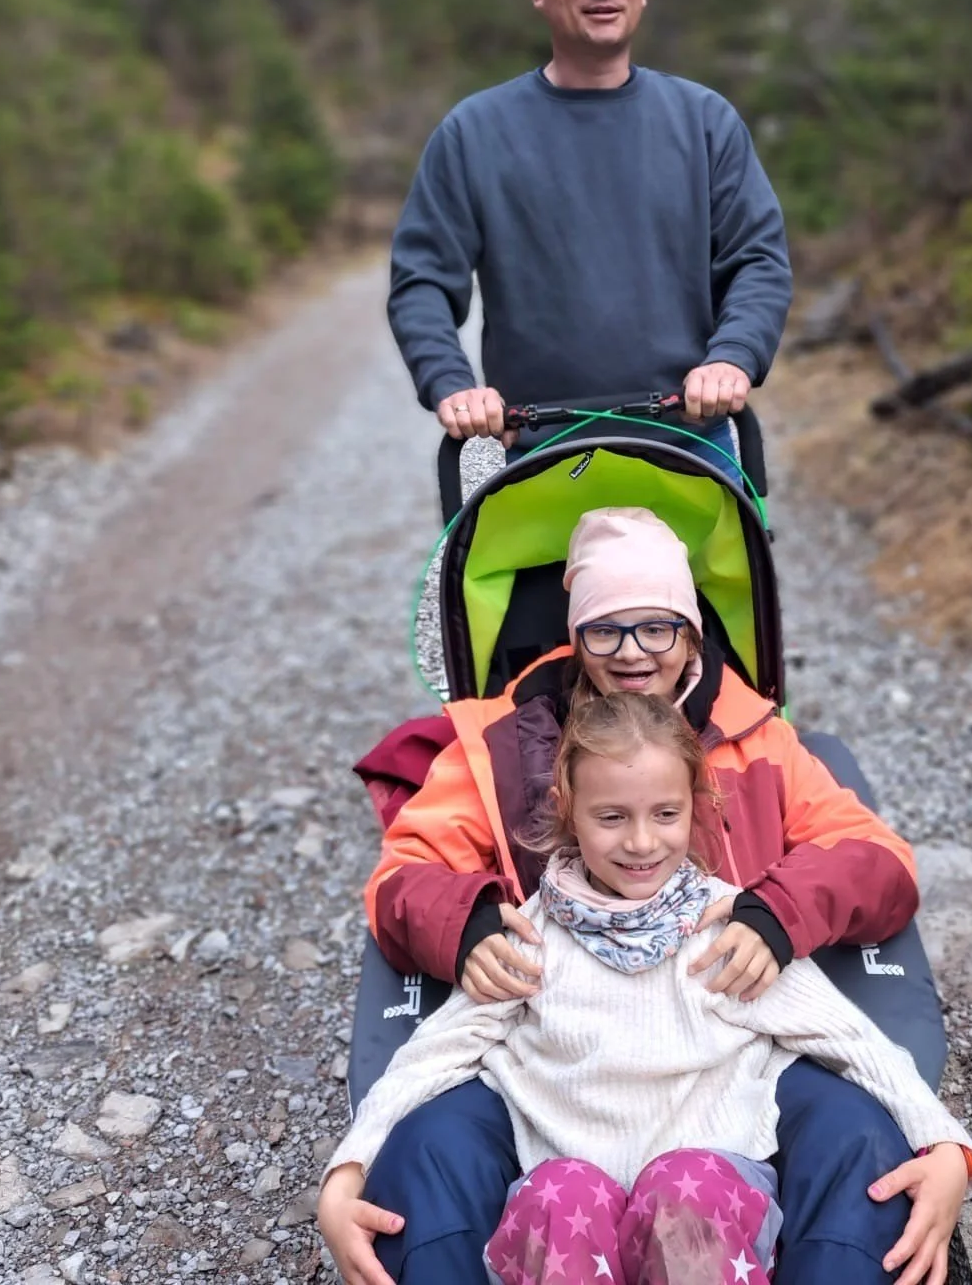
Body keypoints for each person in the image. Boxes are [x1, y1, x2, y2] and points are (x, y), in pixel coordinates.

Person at [329, 507, 930, 1284]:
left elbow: (877, 860)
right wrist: (468, 923)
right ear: (575, 636)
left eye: (656, 627)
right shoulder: (500, 743)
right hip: (556, 1038)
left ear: (691, 631)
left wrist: (780, 912)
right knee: (428, 1148)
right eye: (605, 630)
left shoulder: (758, 738)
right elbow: (406, 870)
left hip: (725, 1032)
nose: (633, 651)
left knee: (857, 1137)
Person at [386, 0, 793, 476]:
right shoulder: (474, 134)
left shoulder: (707, 123)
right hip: (533, 459)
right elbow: (420, 281)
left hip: (692, 453)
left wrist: (732, 357)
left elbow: (757, 260)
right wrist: (452, 384)